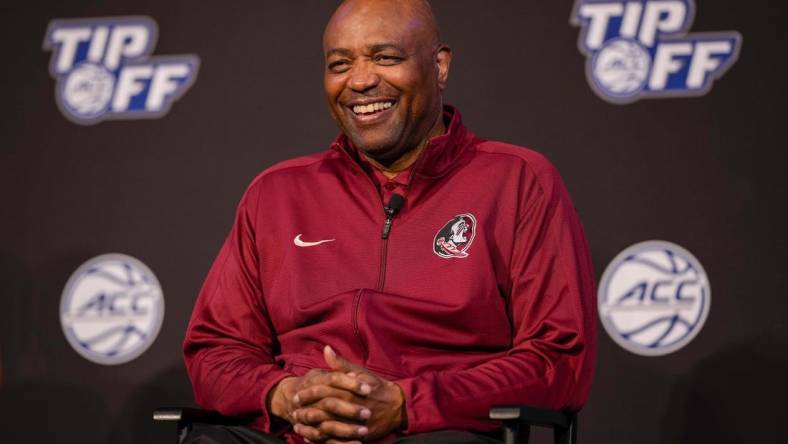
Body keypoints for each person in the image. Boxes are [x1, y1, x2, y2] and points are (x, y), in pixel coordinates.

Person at [183, 0, 596, 443]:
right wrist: (286, 396)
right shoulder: (276, 193)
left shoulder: (518, 180)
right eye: (340, 64)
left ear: (439, 66)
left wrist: (406, 404)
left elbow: (558, 357)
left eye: (385, 58)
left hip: (436, 430)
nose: (359, 80)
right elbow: (215, 349)